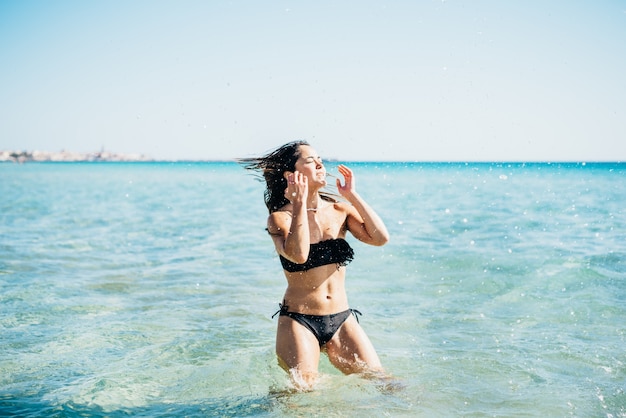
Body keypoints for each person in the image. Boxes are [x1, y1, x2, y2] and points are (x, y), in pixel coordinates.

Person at [240, 140, 390, 390]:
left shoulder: (339, 210)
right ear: (292, 176)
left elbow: (380, 238)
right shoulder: (279, 218)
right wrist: (299, 204)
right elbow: (298, 255)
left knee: (385, 384)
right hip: (300, 321)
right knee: (302, 394)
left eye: (320, 158)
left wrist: (352, 195)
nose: (320, 164)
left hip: (342, 319)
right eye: (311, 161)